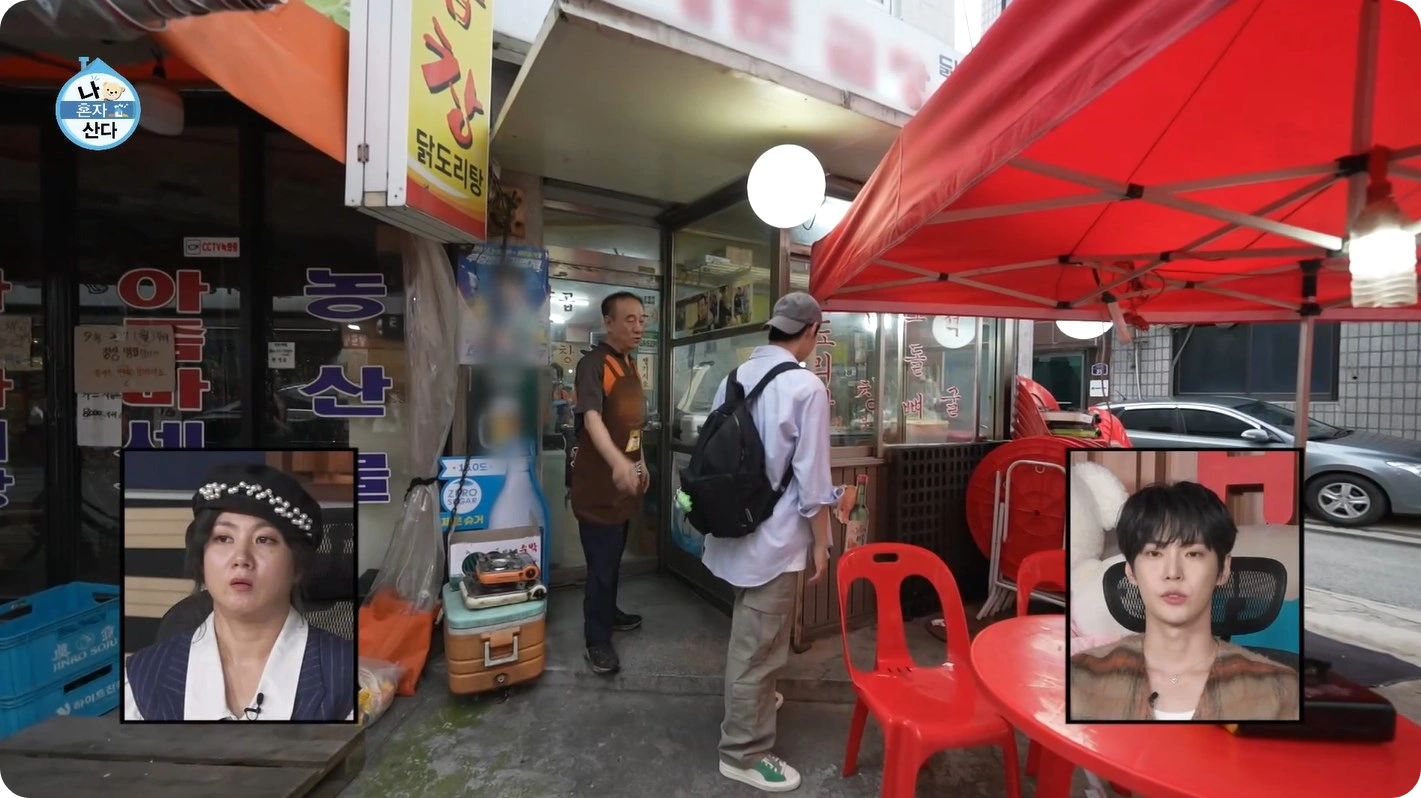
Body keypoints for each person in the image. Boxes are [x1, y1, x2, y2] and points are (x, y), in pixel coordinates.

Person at [702, 292, 836, 792]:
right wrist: (822, 543)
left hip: (732, 531)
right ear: (810, 333)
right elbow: (814, 482)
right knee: (758, 650)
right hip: (774, 542)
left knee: (753, 634)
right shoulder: (806, 387)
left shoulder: (732, 378)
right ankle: (744, 750)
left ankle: (753, 704)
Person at [123, 462, 355, 721]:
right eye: (223, 539)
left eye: (264, 540)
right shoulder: (143, 678)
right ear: (202, 558)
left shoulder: (348, 678)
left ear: (297, 567)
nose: (241, 558)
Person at [1069, 481, 1300, 722]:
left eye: (1193, 554)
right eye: (1154, 554)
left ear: (1223, 569)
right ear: (1131, 572)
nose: (1173, 572)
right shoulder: (1083, 675)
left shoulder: (1278, 689)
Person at [570, 291, 649, 675]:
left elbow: (633, 424)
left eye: (642, 319)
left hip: (625, 481)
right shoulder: (593, 364)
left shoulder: (629, 365)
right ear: (609, 322)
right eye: (630, 319)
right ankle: (595, 640)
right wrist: (618, 462)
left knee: (613, 557)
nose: (639, 326)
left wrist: (640, 460)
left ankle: (609, 613)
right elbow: (592, 420)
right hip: (600, 485)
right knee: (601, 564)